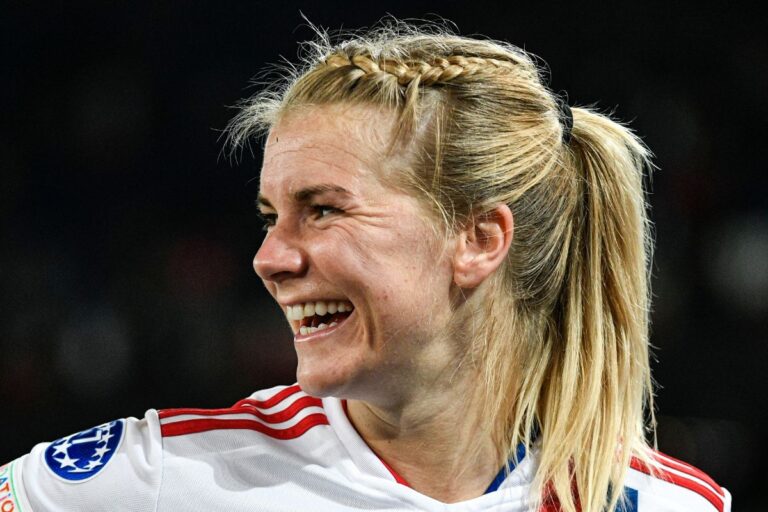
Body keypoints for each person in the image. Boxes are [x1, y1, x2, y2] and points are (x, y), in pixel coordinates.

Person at [1, 20, 731, 512]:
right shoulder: (163, 478)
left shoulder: (673, 505)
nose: (269, 259)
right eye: (270, 216)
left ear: (478, 240)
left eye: (323, 209)